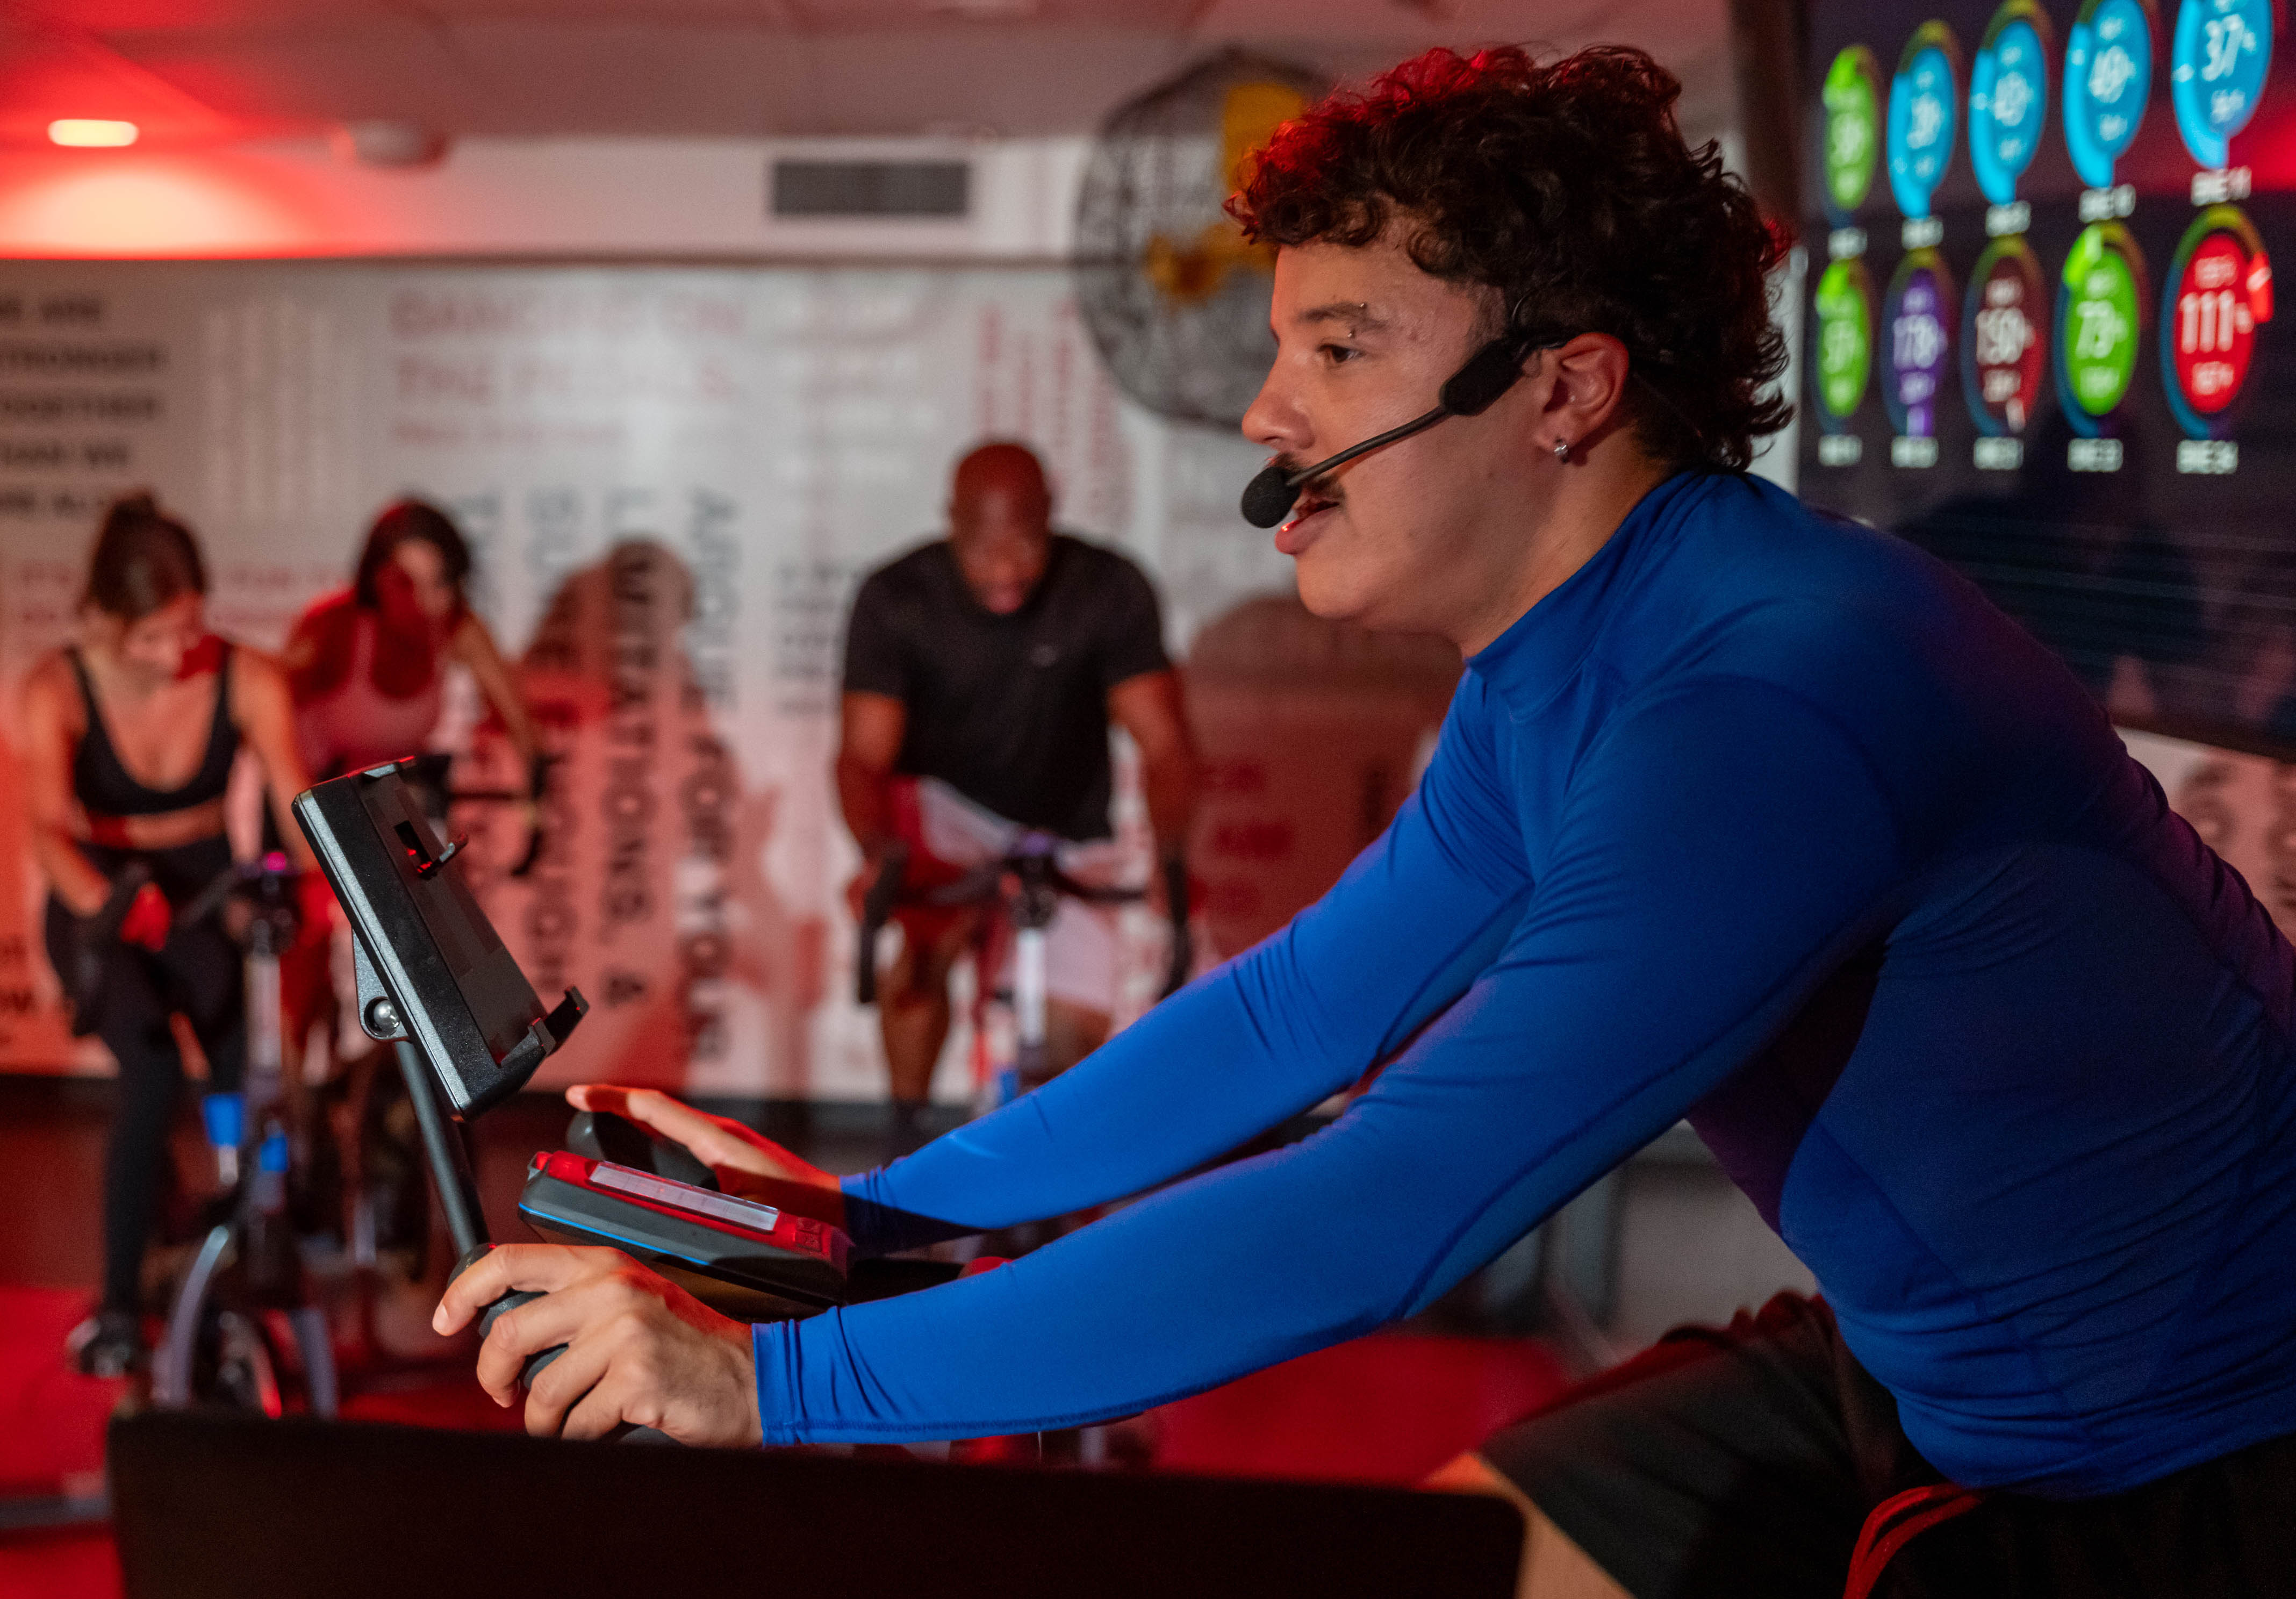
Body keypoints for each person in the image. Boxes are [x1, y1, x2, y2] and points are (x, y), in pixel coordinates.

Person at [441, 47, 2296, 1597]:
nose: (1266, 411)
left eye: (1338, 349)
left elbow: (1382, 1205)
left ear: (1563, 389)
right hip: (1928, 1372)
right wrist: (863, 1215)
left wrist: (775, 1381)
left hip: (2178, 1457)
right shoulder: (1562, 660)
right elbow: (1297, 1015)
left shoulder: (1764, 700)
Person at [834, 441, 1197, 1151]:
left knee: (1074, 1035)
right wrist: (877, 856)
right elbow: (860, 757)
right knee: (922, 955)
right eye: (982, 548)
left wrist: (1171, 856)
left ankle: (1050, 1174)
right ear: (950, 523)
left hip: (1064, 822)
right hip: (949, 809)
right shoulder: (895, 597)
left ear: (1051, 517)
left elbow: (1165, 743)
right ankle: (902, 1139)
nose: (1005, 569)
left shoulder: (1108, 586)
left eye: (1025, 544)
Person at [23, 493, 314, 1376]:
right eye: (152, 637)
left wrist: (334, 893)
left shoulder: (250, 678)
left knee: (241, 1074)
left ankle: (245, 1260)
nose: (175, 656)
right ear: (103, 617)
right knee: (148, 1079)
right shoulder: (58, 686)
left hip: (201, 889)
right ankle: (114, 1309)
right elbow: (45, 826)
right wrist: (106, 908)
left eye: (189, 631)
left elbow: (296, 808)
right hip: (98, 900)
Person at [282, 499, 538, 784]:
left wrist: (534, 805)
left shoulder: (453, 628)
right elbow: (265, 713)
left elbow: (522, 728)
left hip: (393, 802)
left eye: (438, 583)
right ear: (374, 579)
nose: (422, 601)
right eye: (406, 583)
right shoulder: (332, 626)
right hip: (308, 803)